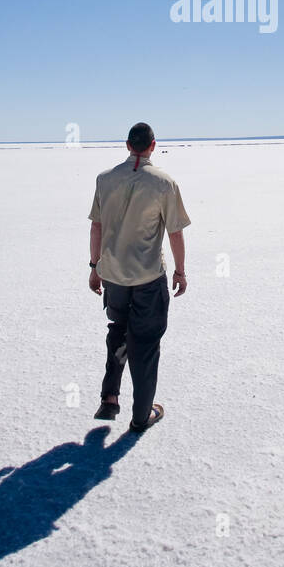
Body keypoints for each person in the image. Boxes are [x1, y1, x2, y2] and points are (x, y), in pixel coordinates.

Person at [87, 122, 190, 431]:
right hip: (147, 278)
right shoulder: (164, 183)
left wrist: (94, 268)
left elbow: (96, 226)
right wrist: (181, 272)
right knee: (144, 344)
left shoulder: (105, 179)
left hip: (114, 276)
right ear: (153, 145)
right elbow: (175, 233)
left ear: (127, 145)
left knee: (118, 330)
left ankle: (110, 397)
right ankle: (142, 416)